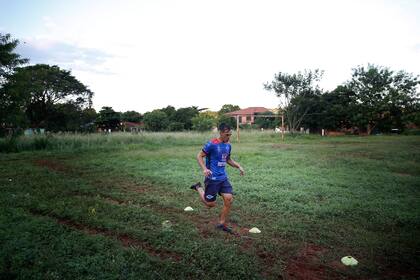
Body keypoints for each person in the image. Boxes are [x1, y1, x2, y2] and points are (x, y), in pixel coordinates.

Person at [190, 123, 244, 233]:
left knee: (229, 199)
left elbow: (228, 159)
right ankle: (198, 187)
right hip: (212, 178)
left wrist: (238, 166)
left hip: (223, 178)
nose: (228, 137)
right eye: (226, 134)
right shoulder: (211, 144)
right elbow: (199, 155)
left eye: (230, 135)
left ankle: (222, 224)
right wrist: (204, 169)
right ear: (220, 132)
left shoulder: (228, 145)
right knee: (210, 204)